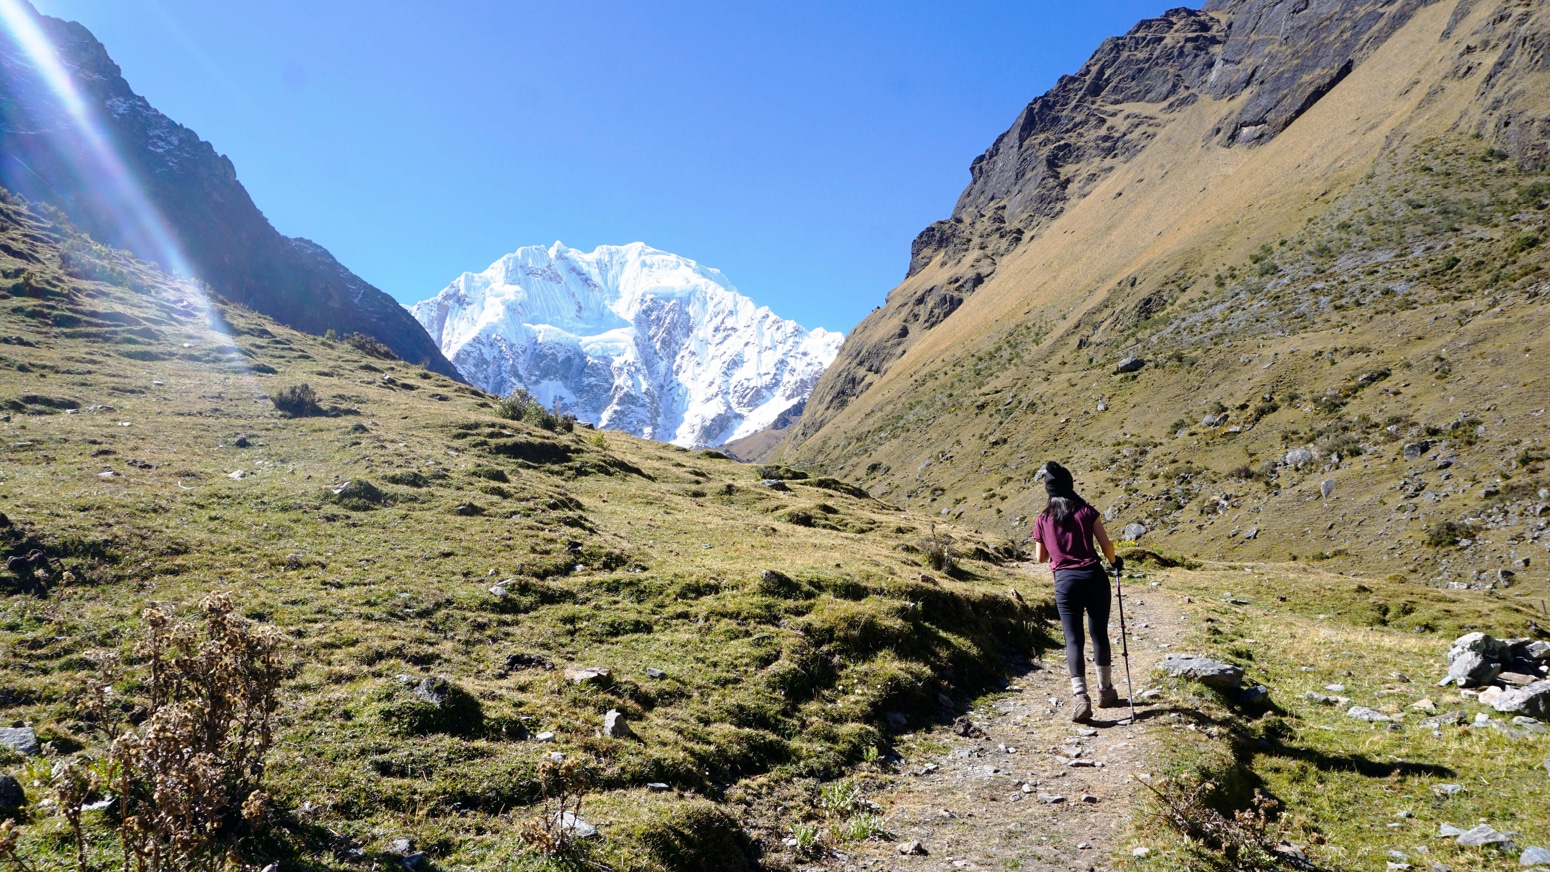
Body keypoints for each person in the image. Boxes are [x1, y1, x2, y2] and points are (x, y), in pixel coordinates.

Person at [1026, 461, 1122, 723]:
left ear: (1049, 490)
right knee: (1099, 632)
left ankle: (1081, 698)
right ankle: (1105, 690)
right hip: (1094, 576)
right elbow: (1106, 546)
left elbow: (1040, 558)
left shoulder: (1043, 519)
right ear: (1070, 486)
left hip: (1065, 583)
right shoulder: (1087, 511)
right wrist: (1115, 563)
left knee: (1073, 639)